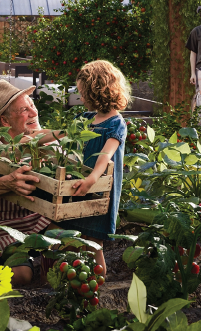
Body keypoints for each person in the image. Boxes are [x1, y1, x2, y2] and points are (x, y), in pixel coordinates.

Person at [0, 80, 64, 287]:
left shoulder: (50, 143)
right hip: (3, 226)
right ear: (5, 121)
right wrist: (7, 182)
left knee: (63, 246)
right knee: (21, 277)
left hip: (43, 219)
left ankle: (47, 281)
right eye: (24, 110)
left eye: (32, 106)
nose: (34, 114)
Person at [57, 60, 129, 275]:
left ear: (96, 91)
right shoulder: (85, 119)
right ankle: (74, 285)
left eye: (82, 92)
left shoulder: (116, 123)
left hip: (99, 188)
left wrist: (91, 179)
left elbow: (105, 156)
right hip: (80, 183)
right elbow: (62, 136)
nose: (80, 97)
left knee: (94, 243)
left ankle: (97, 287)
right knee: (73, 237)